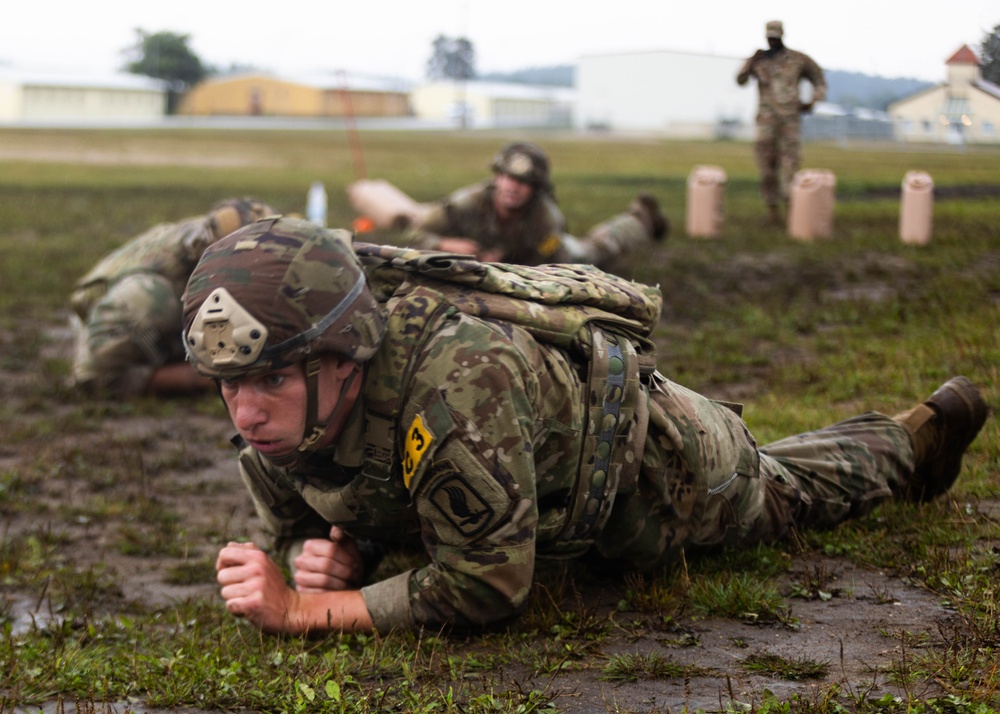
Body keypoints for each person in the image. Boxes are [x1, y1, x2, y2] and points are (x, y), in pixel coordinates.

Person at [180, 216, 988, 636]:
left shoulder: (457, 387)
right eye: (228, 386)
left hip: (662, 467)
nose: (247, 412)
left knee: (789, 491)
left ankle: (911, 441)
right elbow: (296, 522)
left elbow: (487, 587)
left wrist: (307, 611)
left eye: (273, 378)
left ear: (346, 355)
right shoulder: (283, 424)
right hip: (537, 484)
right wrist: (324, 554)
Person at [69, 197, 275, 398]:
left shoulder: (232, 230)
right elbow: (93, 378)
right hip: (125, 311)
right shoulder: (146, 300)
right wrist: (206, 378)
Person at [400, 142, 668, 269]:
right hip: (486, 263)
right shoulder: (467, 202)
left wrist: (503, 260)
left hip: (547, 255)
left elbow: (545, 266)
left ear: (536, 189)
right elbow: (411, 236)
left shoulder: (546, 219)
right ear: (497, 177)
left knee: (590, 254)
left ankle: (639, 219)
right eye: (507, 177)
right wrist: (444, 246)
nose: (513, 187)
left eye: (523, 182)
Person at [737, 20, 827, 224]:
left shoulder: (798, 59)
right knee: (767, 167)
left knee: (790, 165)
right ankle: (772, 212)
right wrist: (750, 63)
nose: (772, 41)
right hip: (766, 121)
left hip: (789, 121)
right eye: (770, 37)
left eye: (776, 37)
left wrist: (813, 101)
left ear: (782, 36)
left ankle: (794, 211)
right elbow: (740, 81)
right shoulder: (759, 60)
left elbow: (819, 79)